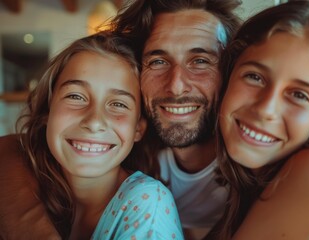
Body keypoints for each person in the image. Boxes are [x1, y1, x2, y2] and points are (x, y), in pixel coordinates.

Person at [0, 0, 242, 239]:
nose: (176, 86)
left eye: (200, 61)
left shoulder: (257, 162)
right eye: (158, 61)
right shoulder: (136, 145)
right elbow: (11, 148)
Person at [209, 1, 309, 239]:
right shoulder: (253, 179)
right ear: (228, 76)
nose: (266, 109)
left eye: (299, 95)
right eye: (255, 77)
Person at [12, 31, 183, 240]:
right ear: (48, 111)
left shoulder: (148, 204)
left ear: (138, 128)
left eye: (118, 104)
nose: (94, 122)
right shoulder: (21, 182)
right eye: (76, 96)